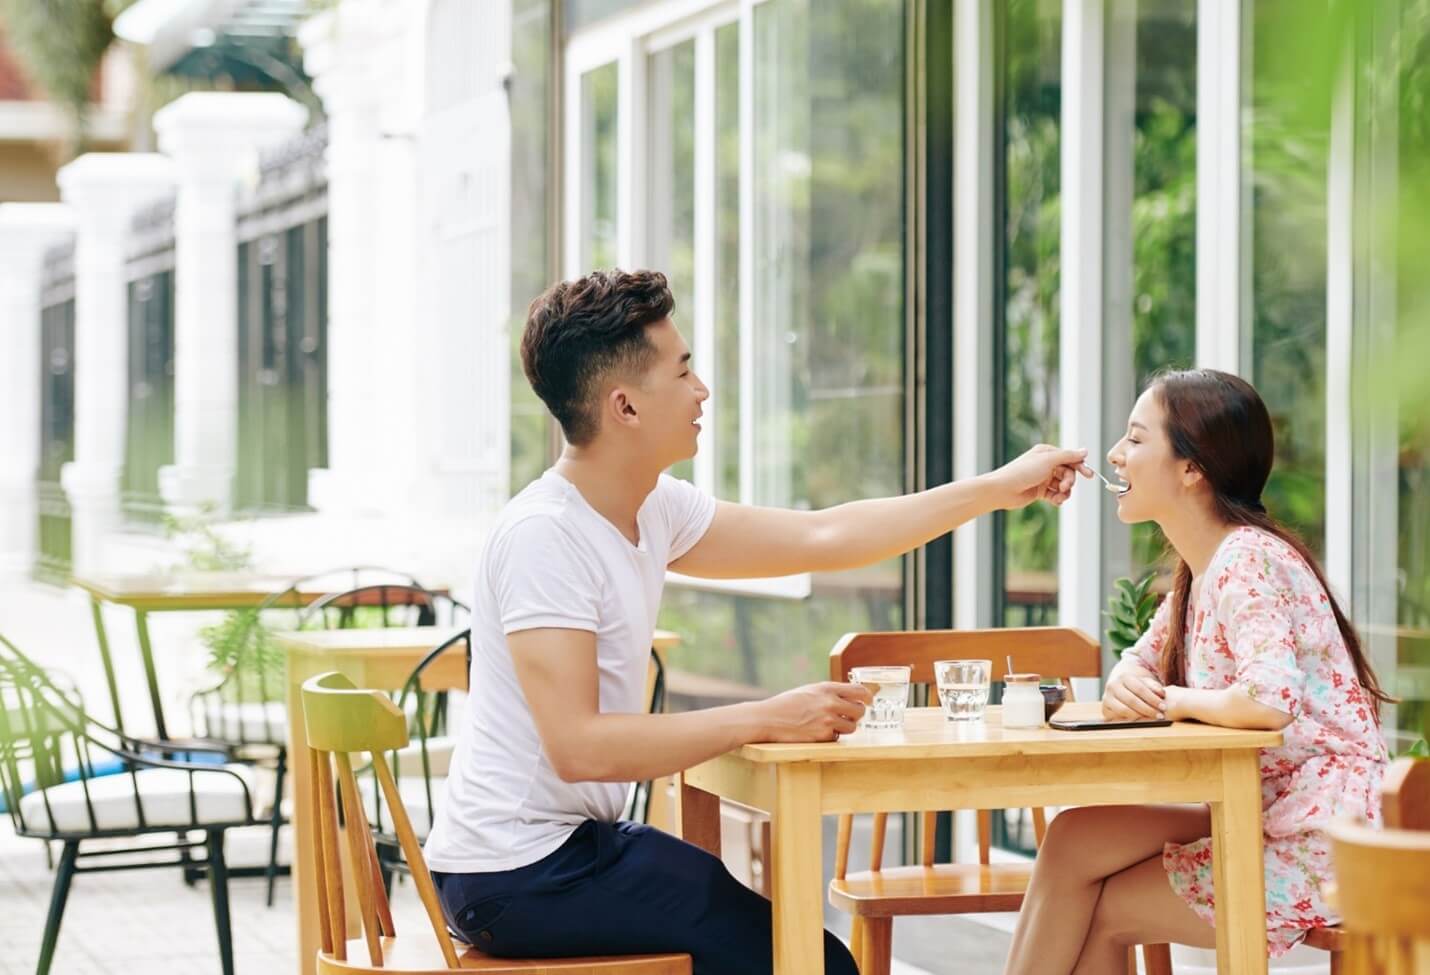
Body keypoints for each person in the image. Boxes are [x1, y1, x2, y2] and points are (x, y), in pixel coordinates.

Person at [421, 268, 1092, 974]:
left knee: (795, 946)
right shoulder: (544, 536)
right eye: (683, 371)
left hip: (572, 849)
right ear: (624, 407)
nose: (702, 389)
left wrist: (994, 488)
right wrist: (765, 715)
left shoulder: (653, 507)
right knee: (806, 959)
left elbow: (824, 536)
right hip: (516, 872)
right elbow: (580, 746)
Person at [1003, 368, 1392, 975]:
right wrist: (1124, 682)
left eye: (1135, 439)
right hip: (1261, 807)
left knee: (1105, 909)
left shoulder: (1245, 559)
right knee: (1072, 840)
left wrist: (1172, 701)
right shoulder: (1202, 569)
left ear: (1192, 468)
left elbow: (1269, 701)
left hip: (1321, 837)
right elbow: (1140, 664)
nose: (1114, 454)